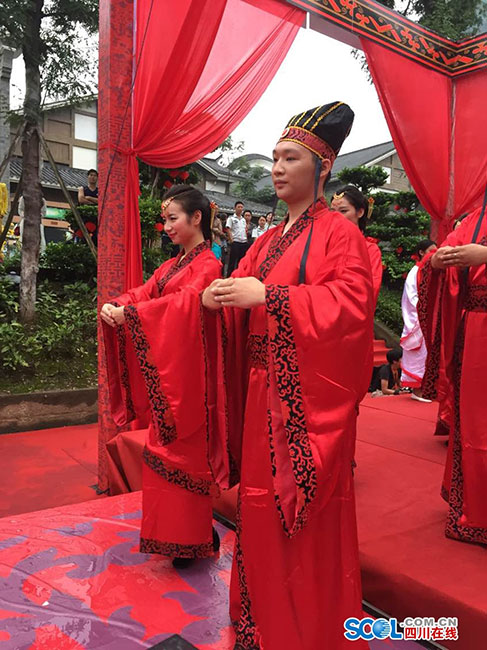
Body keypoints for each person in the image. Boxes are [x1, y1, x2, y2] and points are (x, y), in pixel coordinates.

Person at [202, 101, 373, 650]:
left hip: (299, 404)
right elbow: (241, 285)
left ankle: (306, 627)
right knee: (258, 510)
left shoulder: (339, 236)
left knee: (295, 518)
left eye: (289, 157)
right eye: (274, 157)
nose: (275, 167)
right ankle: (263, 619)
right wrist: (211, 296)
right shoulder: (268, 239)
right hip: (259, 395)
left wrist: (270, 298)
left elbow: (350, 307)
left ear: (322, 168)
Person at [100, 185, 222, 567]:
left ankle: (197, 535)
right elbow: (148, 293)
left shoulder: (209, 265)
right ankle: (175, 535)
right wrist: (119, 304)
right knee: (163, 455)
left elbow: (181, 306)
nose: (166, 226)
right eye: (165, 219)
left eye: (173, 218)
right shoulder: (172, 266)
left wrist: (133, 317)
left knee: (185, 458)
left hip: (192, 380)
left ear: (196, 218)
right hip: (170, 381)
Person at [418, 205, 487, 545]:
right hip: (474, 334)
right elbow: (435, 260)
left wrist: (484, 254)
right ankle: (474, 509)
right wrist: (437, 262)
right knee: (474, 424)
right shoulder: (474, 220)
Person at [331, 184, 382, 305]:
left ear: (360, 212)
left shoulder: (370, 250)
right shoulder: (324, 243)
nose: (336, 217)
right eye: (332, 212)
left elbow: (369, 291)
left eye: (343, 211)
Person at [400, 239, 436, 401]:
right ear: (422, 252)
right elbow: (411, 298)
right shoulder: (415, 271)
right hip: (419, 320)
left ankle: (427, 388)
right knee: (420, 355)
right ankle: (417, 390)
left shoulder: (429, 271)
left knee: (428, 355)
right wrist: (424, 311)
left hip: (428, 317)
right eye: (431, 250)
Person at [226, 200, 247, 275]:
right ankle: (229, 276)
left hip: (243, 242)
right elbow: (228, 229)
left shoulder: (243, 220)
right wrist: (231, 240)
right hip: (235, 242)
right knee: (232, 261)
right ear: (235, 208)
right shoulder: (231, 218)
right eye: (239, 207)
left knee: (240, 261)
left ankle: (237, 276)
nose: (240, 208)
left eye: (241, 207)